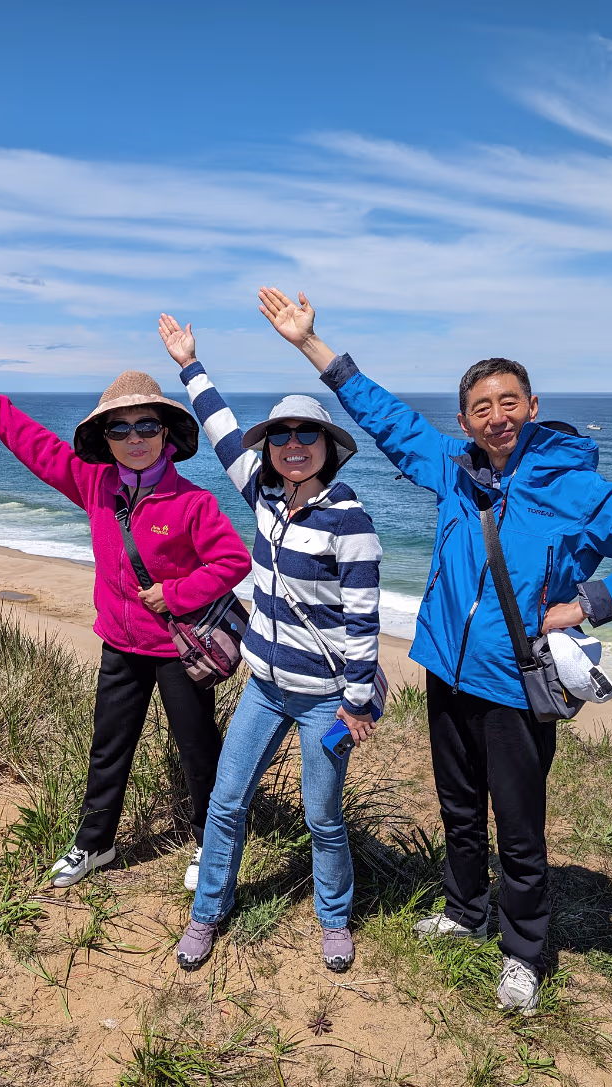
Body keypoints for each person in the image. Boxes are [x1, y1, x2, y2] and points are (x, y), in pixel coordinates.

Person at [257, 287, 612, 1014]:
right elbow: (386, 417)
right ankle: (466, 912)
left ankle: (524, 953)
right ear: (464, 421)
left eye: (509, 402)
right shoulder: (453, 468)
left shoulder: (577, 488)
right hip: (447, 670)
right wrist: (311, 345)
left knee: (519, 830)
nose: (497, 416)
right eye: (481, 407)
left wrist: (584, 605)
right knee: (458, 809)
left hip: (514, 683)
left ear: (532, 406)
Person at [0, 350, 252, 890]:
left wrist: (175, 594)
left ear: (166, 433)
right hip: (120, 646)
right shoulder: (93, 484)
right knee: (108, 747)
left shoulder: (193, 502)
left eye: (146, 425)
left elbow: (232, 561)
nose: (135, 438)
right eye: (120, 428)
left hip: (177, 650)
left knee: (199, 749)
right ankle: (95, 843)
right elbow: (40, 449)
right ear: (105, 439)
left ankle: (211, 841)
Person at [156, 314, 382, 973]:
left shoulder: (351, 521)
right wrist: (190, 366)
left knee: (322, 817)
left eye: (306, 434)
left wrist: (356, 702)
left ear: (328, 446)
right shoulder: (264, 495)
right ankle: (207, 913)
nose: (292, 445)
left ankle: (334, 919)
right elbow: (224, 432)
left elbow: (363, 620)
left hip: (324, 700)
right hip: (263, 688)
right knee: (227, 802)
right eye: (280, 435)